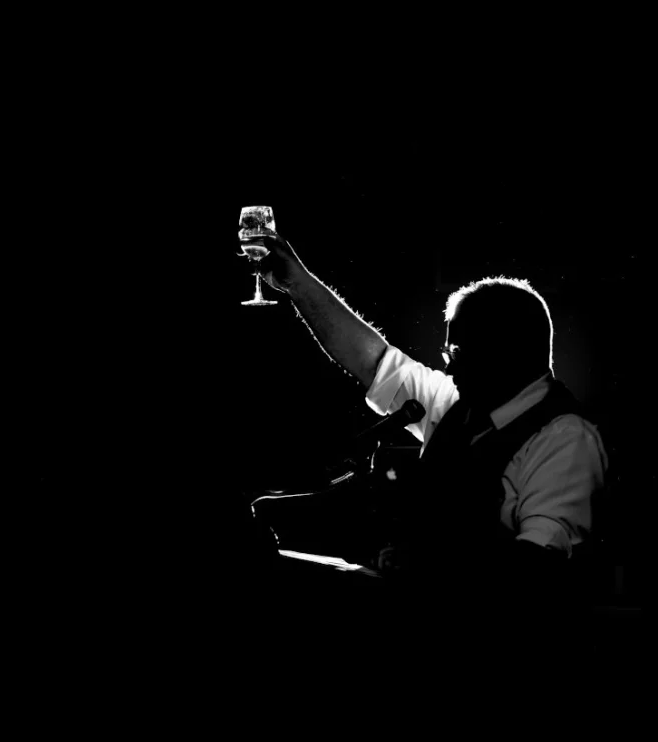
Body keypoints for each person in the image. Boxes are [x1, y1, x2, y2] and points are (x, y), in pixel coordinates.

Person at [246, 229, 609, 636]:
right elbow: (373, 361)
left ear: (506, 351)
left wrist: (425, 563)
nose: (449, 369)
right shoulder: (459, 403)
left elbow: (537, 572)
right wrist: (297, 282)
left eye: (457, 354)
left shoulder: (566, 440)